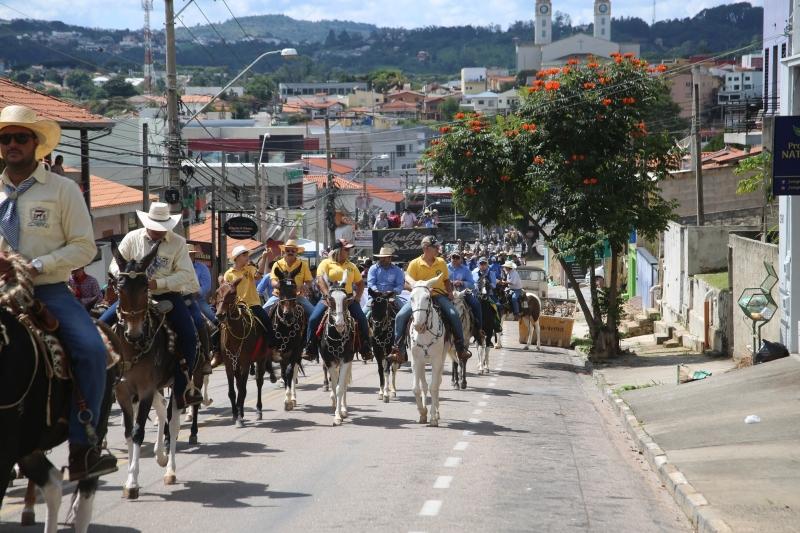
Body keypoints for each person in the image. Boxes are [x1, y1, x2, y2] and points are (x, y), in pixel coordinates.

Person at [0, 105, 117, 481]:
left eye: (21, 137)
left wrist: (36, 265)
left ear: (36, 143)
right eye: (5, 138)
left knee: (92, 350)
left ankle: (85, 444)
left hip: (47, 290)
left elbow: (85, 247)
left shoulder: (63, 189)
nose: (12, 144)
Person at [100, 202, 204, 409]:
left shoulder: (178, 243)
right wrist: (126, 273)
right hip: (134, 296)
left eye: (162, 227)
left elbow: (185, 274)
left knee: (190, 335)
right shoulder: (132, 238)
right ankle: (103, 380)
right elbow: (115, 262)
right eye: (154, 226)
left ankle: (184, 387)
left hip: (167, 295)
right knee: (99, 327)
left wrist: (158, 283)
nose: (158, 230)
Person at [390, 235, 470, 362]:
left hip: (438, 295)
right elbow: (406, 284)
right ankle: (398, 350)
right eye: (435, 247)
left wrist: (449, 292)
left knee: (454, 314)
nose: (438, 248)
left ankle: (460, 348)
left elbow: (446, 280)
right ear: (426, 248)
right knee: (400, 316)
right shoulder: (414, 264)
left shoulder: (441, 262)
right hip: (420, 299)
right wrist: (420, 292)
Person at [305, 239, 371, 360]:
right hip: (329, 299)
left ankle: (366, 348)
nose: (349, 252)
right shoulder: (326, 263)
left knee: (362, 319)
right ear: (338, 250)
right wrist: (326, 295)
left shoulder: (351, 266)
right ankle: (310, 348)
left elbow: (360, 283)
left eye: (349, 249)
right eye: (346, 249)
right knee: (314, 319)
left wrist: (357, 298)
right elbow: (320, 280)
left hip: (348, 300)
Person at [223, 245, 277, 359]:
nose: (247, 257)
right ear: (237, 258)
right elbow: (225, 290)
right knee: (220, 324)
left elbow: (258, 275)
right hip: (236, 306)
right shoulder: (228, 274)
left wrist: (264, 257)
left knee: (267, 321)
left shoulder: (250, 269)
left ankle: (273, 350)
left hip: (253, 304)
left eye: (247, 254)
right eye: (244, 255)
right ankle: (218, 352)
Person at [264, 239, 314, 317]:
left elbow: (309, 281)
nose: (290, 252)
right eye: (288, 250)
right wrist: (279, 285)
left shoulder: (303, 264)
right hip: (279, 296)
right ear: (284, 251)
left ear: (296, 252)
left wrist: (305, 286)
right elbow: (273, 281)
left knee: (314, 315)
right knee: (263, 312)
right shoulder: (277, 264)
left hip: (298, 296)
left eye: (293, 251)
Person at [447, 251, 482, 339]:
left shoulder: (466, 269)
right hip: (448, 293)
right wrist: (449, 283)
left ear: (461, 259)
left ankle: (479, 329)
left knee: (476, 304)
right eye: (453, 257)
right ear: (450, 258)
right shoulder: (445, 267)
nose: (454, 259)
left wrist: (462, 282)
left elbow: (472, 285)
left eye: (457, 257)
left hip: (462, 294)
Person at [366, 246, 405, 323]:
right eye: (381, 257)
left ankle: (402, 334)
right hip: (375, 297)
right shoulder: (373, 268)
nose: (382, 259)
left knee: (404, 314)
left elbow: (400, 285)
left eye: (384, 257)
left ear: (390, 258)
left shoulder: (397, 270)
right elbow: (371, 283)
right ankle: (364, 334)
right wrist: (377, 291)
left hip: (391, 297)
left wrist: (393, 291)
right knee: (363, 315)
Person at [188, 244, 215, 323]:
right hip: (180, 298)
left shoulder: (202, 267)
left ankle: (218, 330)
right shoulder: (177, 267)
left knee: (212, 318)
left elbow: (207, 286)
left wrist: (197, 292)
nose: (188, 256)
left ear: (193, 255)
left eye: (190, 254)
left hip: (198, 299)